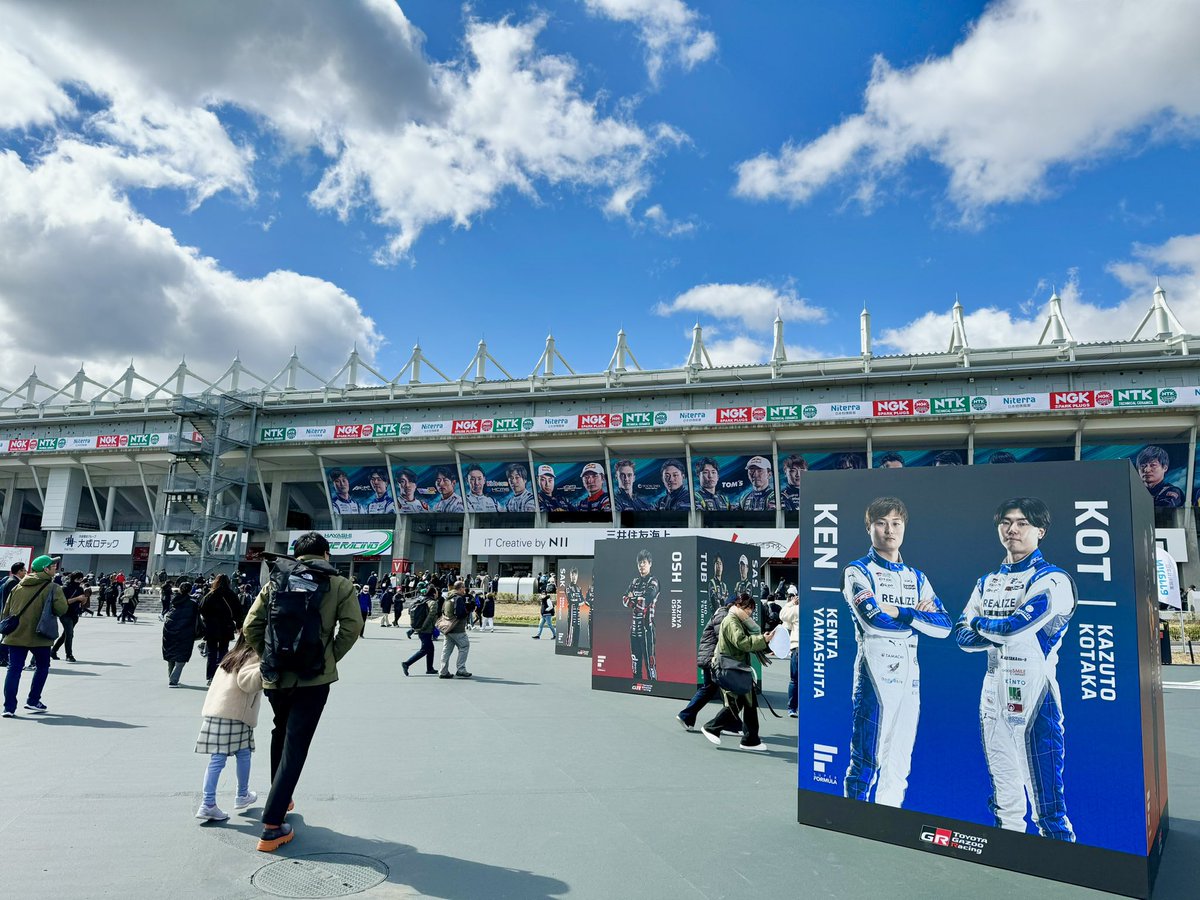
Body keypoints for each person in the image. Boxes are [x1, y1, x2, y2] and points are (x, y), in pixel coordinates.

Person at [954, 497, 1078, 841]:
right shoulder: (987, 581)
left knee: (1047, 806)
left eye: (1022, 523)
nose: (1012, 529)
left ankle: (1062, 867)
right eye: (1006, 522)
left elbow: (1013, 627)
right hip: (991, 694)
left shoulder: (1054, 580)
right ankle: (1008, 856)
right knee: (1005, 799)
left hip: (1035, 694)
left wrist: (982, 623)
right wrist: (992, 626)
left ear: (1041, 530)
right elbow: (961, 636)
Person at [243, 531, 362, 852]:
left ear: (296, 553)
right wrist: (328, 657)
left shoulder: (277, 580)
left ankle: (279, 795)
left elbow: (250, 626)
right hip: (313, 679)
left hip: (276, 676)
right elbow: (352, 627)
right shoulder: (338, 583)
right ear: (326, 554)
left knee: (280, 732)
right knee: (296, 744)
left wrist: (269, 655)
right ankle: (271, 826)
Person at [842, 497, 951, 807]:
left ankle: (887, 820)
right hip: (875, 673)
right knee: (867, 760)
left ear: (904, 528)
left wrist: (900, 612)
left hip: (910, 679)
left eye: (896, 523)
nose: (889, 530)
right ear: (869, 528)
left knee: (899, 764)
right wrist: (917, 616)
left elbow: (944, 626)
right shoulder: (857, 571)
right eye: (881, 523)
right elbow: (873, 620)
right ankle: (854, 821)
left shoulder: (917, 577)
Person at [194, 635, 263, 821]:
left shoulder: (231, 655)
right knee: (242, 753)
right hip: (236, 715)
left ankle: (217, 800)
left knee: (223, 758)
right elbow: (247, 683)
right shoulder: (254, 656)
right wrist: (266, 669)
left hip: (216, 711)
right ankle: (226, 799)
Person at [701, 593, 774, 751]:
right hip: (732, 667)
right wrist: (763, 640)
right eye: (748, 608)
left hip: (735, 667)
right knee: (741, 703)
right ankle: (713, 727)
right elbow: (742, 643)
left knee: (748, 703)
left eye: (751, 609)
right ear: (739, 606)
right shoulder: (732, 620)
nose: (750, 612)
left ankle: (750, 739)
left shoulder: (735, 619)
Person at [1, 555, 67, 717]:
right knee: (42, 667)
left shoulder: (18, 586)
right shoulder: (53, 587)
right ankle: (33, 701)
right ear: (45, 569)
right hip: (41, 636)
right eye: (52, 567)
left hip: (16, 635)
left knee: (14, 670)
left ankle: (9, 707)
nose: (55, 569)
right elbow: (61, 610)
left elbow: (6, 611)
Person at [677, 590, 739, 732]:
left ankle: (732, 723)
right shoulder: (724, 616)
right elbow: (724, 638)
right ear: (732, 605)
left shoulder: (722, 614)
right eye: (739, 605)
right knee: (716, 690)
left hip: (712, 658)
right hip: (712, 659)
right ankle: (686, 716)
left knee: (715, 690)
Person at [621, 549, 658, 681]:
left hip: (647, 629)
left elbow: (644, 603)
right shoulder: (635, 581)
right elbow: (624, 599)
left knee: (650, 663)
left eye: (644, 562)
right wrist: (635, 599)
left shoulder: (653, 582)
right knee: (635, 662)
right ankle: (637, 685)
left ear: (650, 563)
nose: (641, 566)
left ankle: (654, 688)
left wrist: (633, 598)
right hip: (634, 630)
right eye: (639, 563)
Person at [199, 574, 242, 684]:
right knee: (223, 650)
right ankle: (221, 674)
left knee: (211, 652)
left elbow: (202, 609)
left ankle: (210, 677)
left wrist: (208, 620)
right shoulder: (231, 595)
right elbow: (238, 611)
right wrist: (238, 625)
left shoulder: (210, 595)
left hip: (212, 627)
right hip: (226, 626)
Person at [163, 582, 201, 687]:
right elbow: (196, 619)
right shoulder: (193, 604)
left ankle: (171, 677)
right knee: (181, 657)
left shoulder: (174, 601)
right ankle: (173, 680)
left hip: (170, 630)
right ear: (190, 590)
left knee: (171, 654)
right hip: (185, 632)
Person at [402, 586, 440, 675]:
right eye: (437, 592)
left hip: (420, 627)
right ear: (434, 593)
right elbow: (430, 617)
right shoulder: (433, 603)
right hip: (425, 629)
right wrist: (423, 627)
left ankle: (430, 668)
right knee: (425, 649)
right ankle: (406, 663)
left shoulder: (423, 600)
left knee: (430, 649)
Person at [438, 581, 472, 678]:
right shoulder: (458, 599)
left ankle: (443, 671)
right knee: (464, 646)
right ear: (460, 588)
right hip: (457, 628)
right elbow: (459, 614)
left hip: (447, 628)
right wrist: (468, 609)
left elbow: (443, 611)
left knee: (446, 650)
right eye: (463, 588)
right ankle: (461, 669)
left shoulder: (448, 598)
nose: (464, 590)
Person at [50, 571, 86, 662]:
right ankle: (69, 654)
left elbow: (82, 602)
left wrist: (84, 599)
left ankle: (53, 650)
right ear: (73, 578)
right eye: (78, 579)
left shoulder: (80, 589)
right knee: (69, 634)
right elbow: (65, 602)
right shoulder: (65, 588)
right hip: (65, 614)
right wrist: (77, 598)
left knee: (66, 634)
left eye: (81, 579)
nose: (80, 581)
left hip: (75, 614)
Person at [0, 561, 26, 669]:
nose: (26, 572)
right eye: (24, 570)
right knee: (7, 637)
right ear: (19, 571)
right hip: (9, 614)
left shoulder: (10, 580)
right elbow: (11, 600)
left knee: (7, 636)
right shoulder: (13, 582)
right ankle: (3, 658)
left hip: (7, 613)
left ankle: (4, 658)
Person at [780, 586, 800, 717]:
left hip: (797, 646)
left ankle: (792, 708)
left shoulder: (797, 609)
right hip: (813, 647)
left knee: (794, 680)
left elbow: (783, 616)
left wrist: (792, 603)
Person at [703, 555, 729, 625]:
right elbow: (716, 604)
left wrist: (722, 601)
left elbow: (727, 605)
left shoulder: (724, 585)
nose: (719, 566)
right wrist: (722, 601)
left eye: (720, 564)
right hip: (715, 619)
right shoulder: (712, 582)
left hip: (724, 620)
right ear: (714, 566)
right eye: (717, 563)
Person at [563, 566, 584, 647]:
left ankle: (575, 648)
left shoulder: (579, 588)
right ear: (570, 576)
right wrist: (578, 601)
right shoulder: (568, 588)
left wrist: (577, 602)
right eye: (573, 575)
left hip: (578, 613)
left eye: (576, 575)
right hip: (571, 613)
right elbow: (570, 600)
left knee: (577, 631)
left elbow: (583, 601)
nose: (574, 577)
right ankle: (568, 647)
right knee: (571, 630)